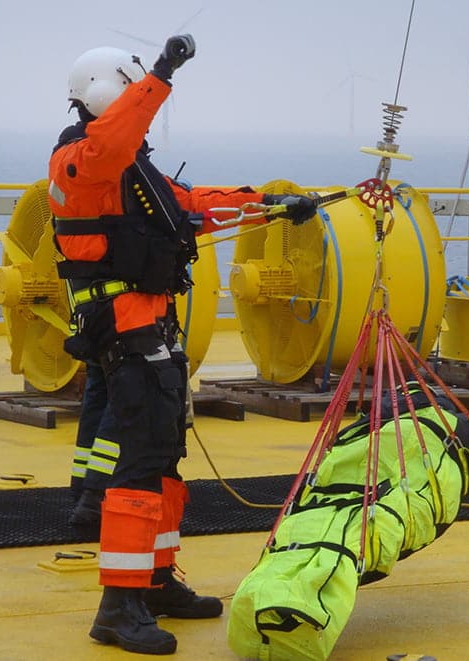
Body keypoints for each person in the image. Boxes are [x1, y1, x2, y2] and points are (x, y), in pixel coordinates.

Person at [48, 36, 317, 655]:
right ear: (113, 93)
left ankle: (157, 580)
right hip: (125, 327)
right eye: (135, 87)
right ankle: (118, 605)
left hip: (150, 326)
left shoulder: (131, 170)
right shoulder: (82, 161)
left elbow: (190, 206)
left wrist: (268, 207)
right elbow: (113, 141)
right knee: (140, 461)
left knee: (165, 455)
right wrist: (164, 73)